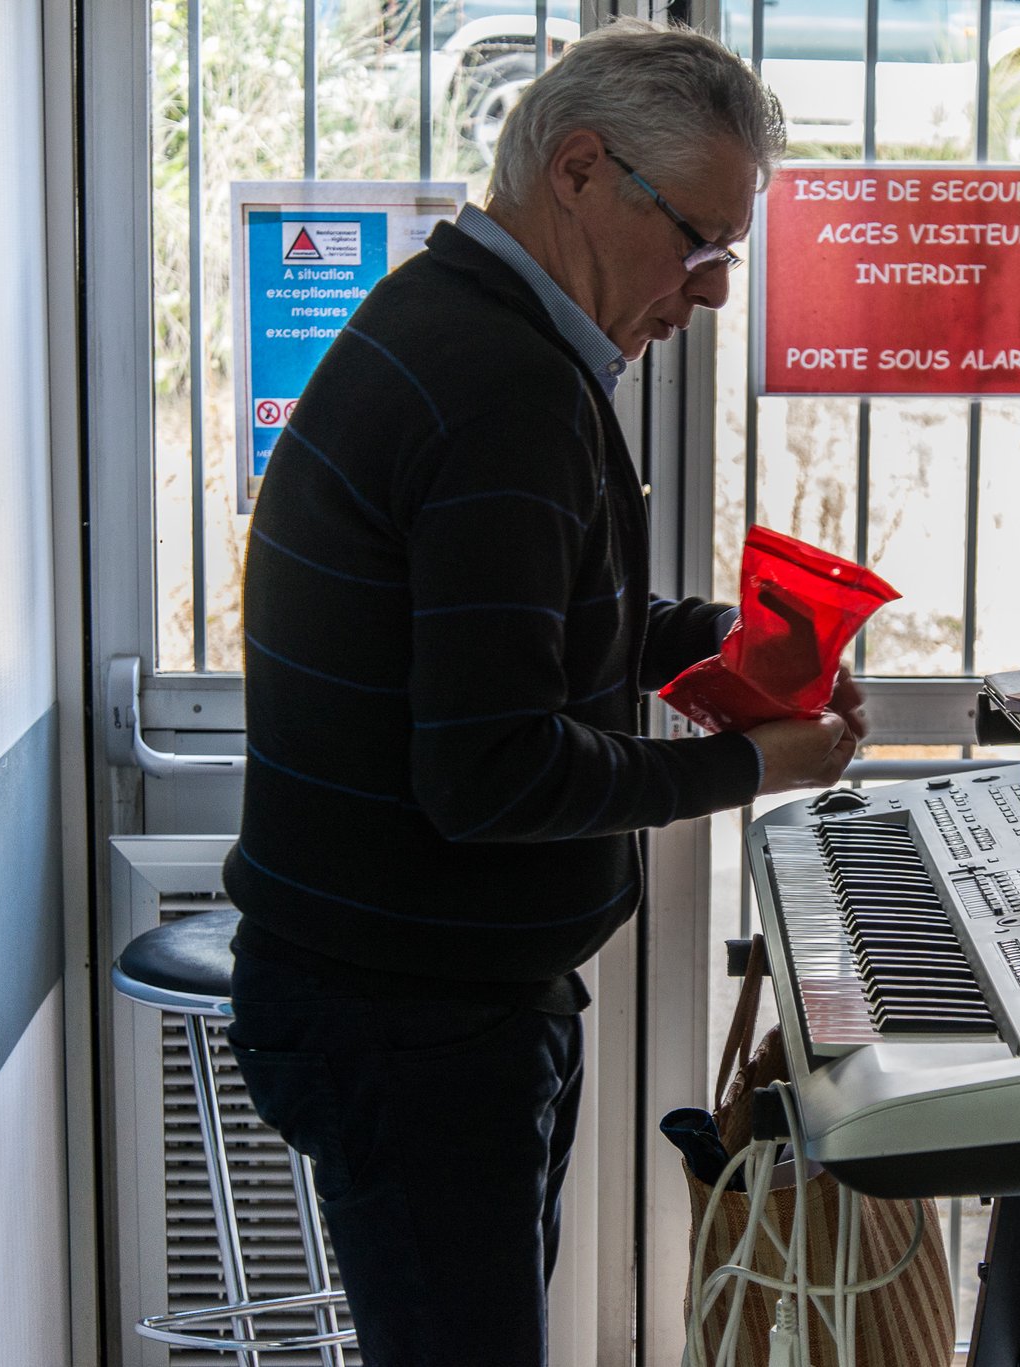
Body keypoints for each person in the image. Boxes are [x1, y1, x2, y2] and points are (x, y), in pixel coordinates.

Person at [220, 19, 861, 1364]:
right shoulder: (501, 384)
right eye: (698, 243)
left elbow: (526, 626)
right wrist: (757, 767)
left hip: (436, 992)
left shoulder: (469, 325)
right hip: (412, 1014)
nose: (712, 295)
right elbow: (496, 769)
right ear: (579, 170)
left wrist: (722, 655)